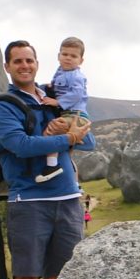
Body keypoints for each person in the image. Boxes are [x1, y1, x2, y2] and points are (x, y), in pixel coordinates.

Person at [0, 40, 94, 279]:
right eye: (17, 61)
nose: (25, 66)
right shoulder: (3, 106)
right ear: (7, 67)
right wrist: (64, 139)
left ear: (37, 63)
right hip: (29, 200)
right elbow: (20, 146)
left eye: (29, 60)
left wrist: (67, 127)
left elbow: (89, 141)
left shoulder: (52, 99)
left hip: (68, 200)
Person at [36, 36, 91, 185]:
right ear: (58, 56)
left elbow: (77, 94)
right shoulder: (61, 70)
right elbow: (59, 82)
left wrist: (58, 102)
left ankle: (52, 166)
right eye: (65, 54)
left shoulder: (77, 76)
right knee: (67, 151)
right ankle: (74, 182)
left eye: (73, 56)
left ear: (81, 60)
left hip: (75, 115)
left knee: (51, 131)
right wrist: (51, 86)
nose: (68, 58)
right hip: (69, 114)